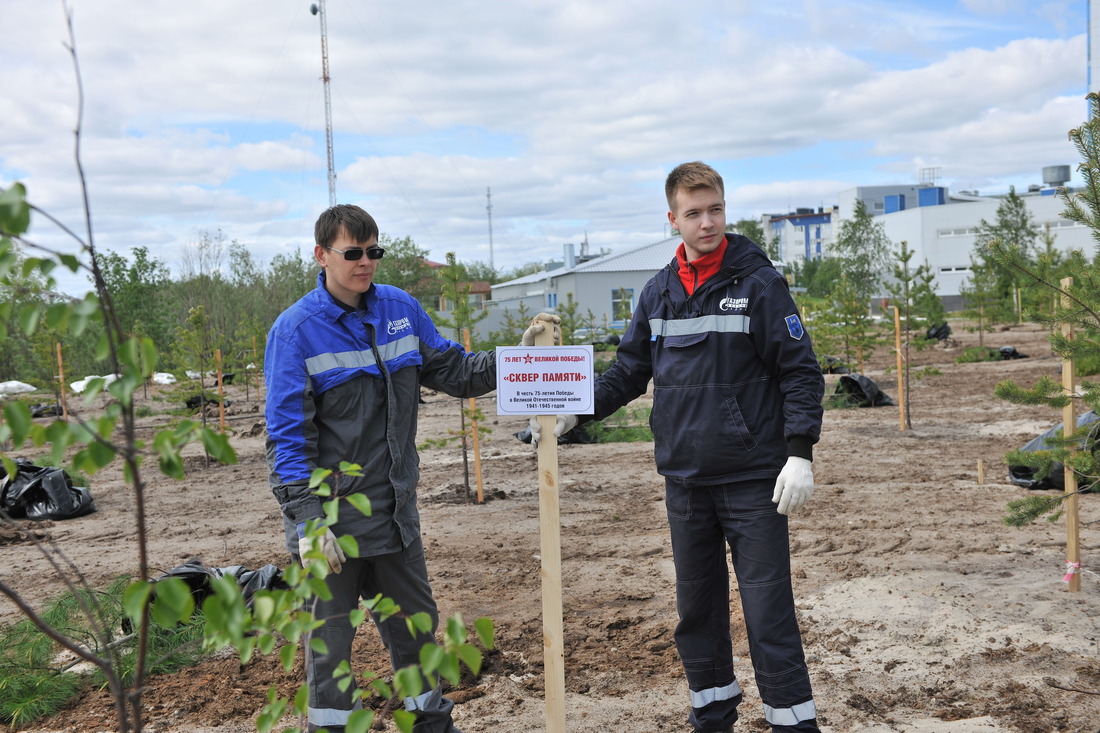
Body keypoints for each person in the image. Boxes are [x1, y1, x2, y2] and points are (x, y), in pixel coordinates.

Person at [531, 162, 824, 733]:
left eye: (715, 208)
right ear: (673, 219)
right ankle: (712, 714)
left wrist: (800, 452)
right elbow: (629, 371)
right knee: (697, 612)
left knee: (768, 614)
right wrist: (574, 411)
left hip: (752, 479)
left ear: (724, 209)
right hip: (685, 481)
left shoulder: (760, 285)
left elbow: (801, 372)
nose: (707, 221)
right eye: (693, 213)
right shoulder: (659, 291)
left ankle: (793, 723)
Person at [265, 204, 555, 733]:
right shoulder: (296, 332)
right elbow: (285, 438)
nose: (365, 263)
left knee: (418, 639)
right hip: (331, 529)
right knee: (329, 657)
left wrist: (519, 357)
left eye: (374, 252)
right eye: (352, 253)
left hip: (395, 519)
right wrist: (307, 521)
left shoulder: (400, 309)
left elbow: (456, 371)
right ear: (321, 255)